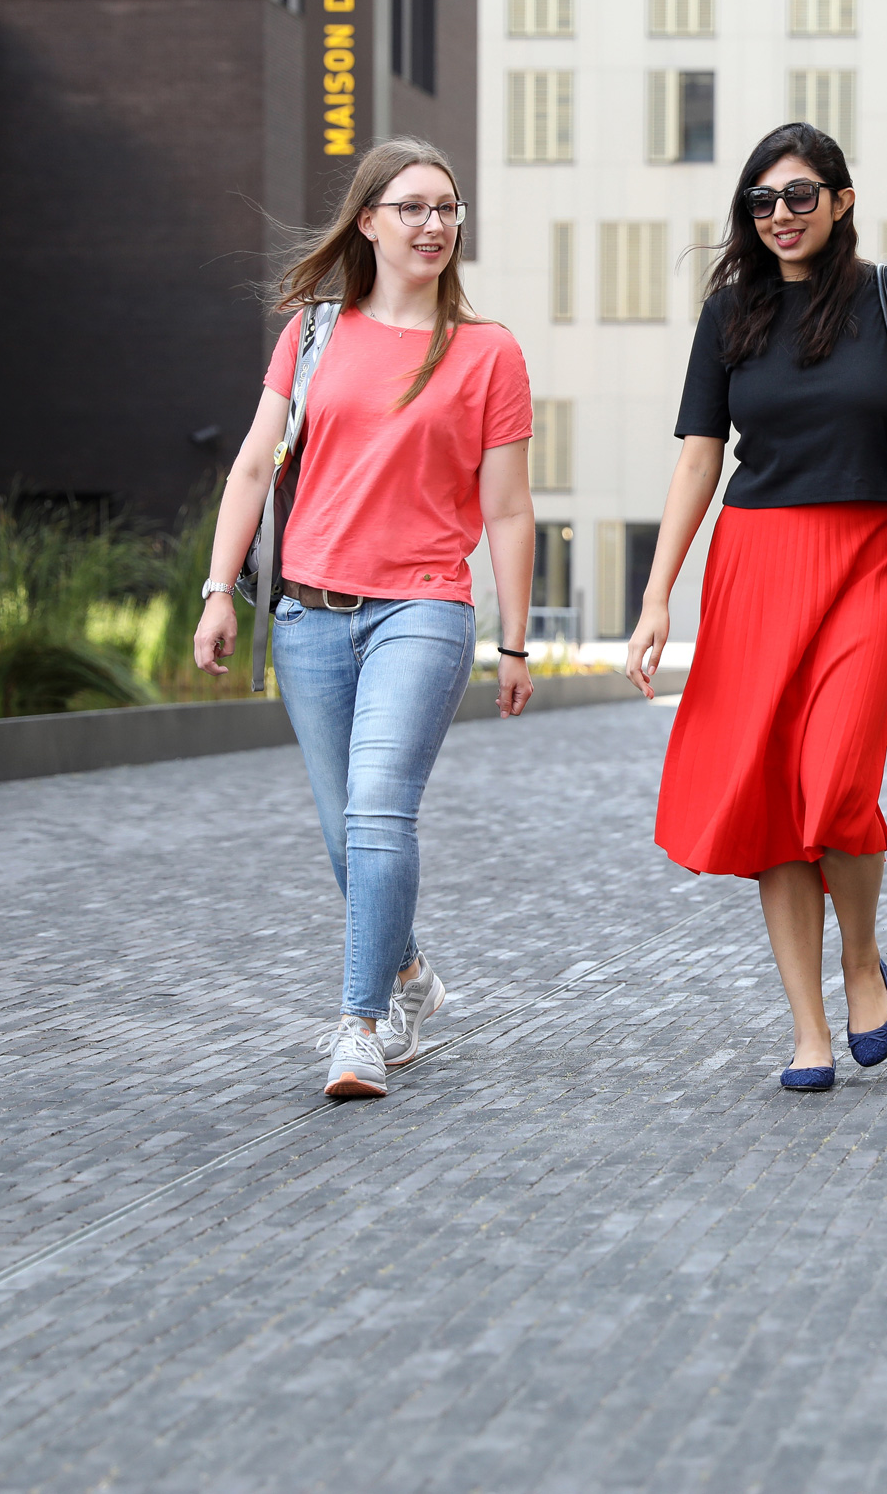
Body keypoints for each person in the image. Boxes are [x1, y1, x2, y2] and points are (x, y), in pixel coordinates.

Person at [624, 123, 887, 1093]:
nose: (779, 216)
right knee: (772, 793)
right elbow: (697, 458)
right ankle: (808, 1026)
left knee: (835, 777)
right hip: (756, 563)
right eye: (761, 201)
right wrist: (654, 596)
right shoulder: (728, 317)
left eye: (799, 195)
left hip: (869, 559)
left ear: (841, 201)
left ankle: (861, 957)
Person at [194, 137, 537, 1097]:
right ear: (370, 220)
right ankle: (411, 976)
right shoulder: (311, 333)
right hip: (307, 614)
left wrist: (514, 640)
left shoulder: (487, 351)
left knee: (382, 807)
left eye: (448, 209)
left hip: (422, 607)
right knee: (349, 834)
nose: (435, 225)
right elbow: (256, 463)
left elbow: (508, 508)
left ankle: (359, 1026)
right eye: (415, 207)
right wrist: (220, 589)